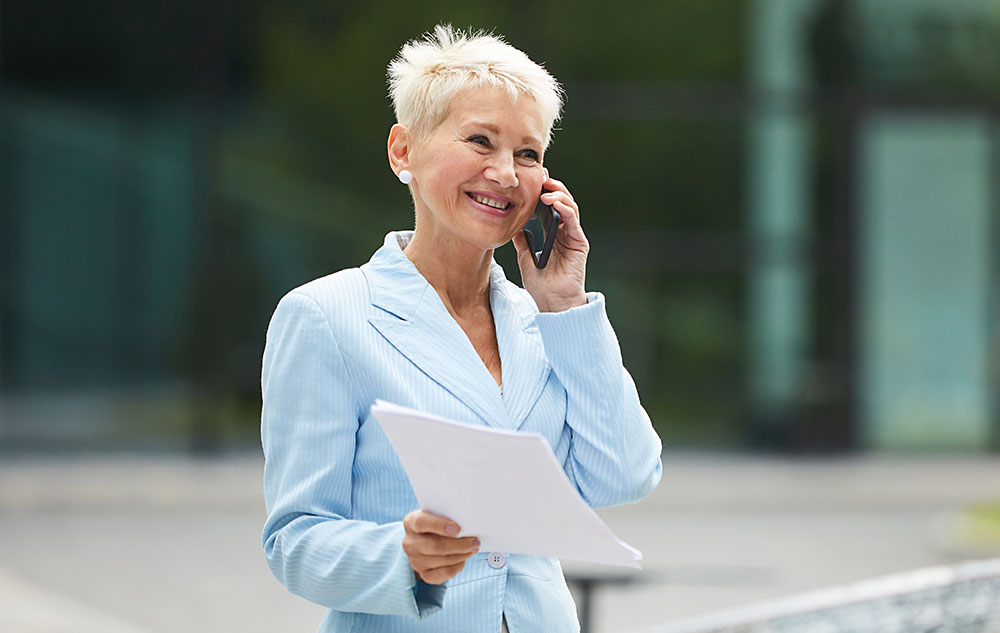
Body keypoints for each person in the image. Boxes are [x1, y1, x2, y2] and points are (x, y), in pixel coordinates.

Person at [260, 24, 663, 633]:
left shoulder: (548, 323)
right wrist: (404, 555)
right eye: (480, 141)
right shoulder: (325, 317)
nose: (505, 173)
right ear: (403, 152)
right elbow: (294, 541)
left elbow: (624, 476)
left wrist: (565, 306)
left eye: (528, 154)